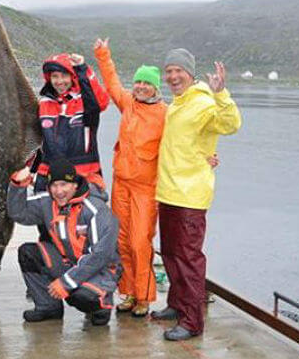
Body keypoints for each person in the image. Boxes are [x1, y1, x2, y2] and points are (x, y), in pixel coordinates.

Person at [150, 49, 241, 341]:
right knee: (172, 255)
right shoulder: (177, 104)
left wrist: (222, 94)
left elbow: (230, 125)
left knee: (188, 258)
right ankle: (177, 306)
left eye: (179, 71)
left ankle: (192, 322)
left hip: (190, 196)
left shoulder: (203, 101)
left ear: (191, 73)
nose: (173, 77)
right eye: (169, 71)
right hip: (169, 192)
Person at [92, 37, 166, 317]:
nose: (141, 87)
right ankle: (129, 293)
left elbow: (183, 142)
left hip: (147, 189)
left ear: (155, 87)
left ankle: (145, 296)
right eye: (138, 82)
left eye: (147, 83)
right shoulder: (128, 103)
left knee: (139, 242)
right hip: (120, 184)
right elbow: (111, 82)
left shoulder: (165, 114)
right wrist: (102, 53)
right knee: (121, 242)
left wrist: (207, 156)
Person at [7, 159, 121, 326]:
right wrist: (18, 185)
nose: (59, 191)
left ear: (75, 185)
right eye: (54, 185)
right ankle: (48, 307)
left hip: (100, 270)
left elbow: (101, 255)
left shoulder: (96, 209)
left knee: (81, 296)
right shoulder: (47, 201)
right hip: (69, 263)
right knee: (29, 253)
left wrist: (67, 282)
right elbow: (18, 213)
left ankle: (101, 308)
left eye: (64, 185)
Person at [34, 53, 110, 192]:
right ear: (48, 78)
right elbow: (37, 139)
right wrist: (30, 170)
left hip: (84, 173)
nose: (59, 81)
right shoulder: (43, 103)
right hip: (49, 174)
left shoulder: (86, 101)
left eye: (64, 75)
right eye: (55, 76)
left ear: (72, 77)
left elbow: (102, 101)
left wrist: (82, 69)